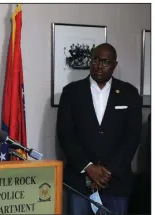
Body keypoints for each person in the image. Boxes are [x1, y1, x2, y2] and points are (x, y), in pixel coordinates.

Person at [57, 43, 142, 215]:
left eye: (105, 62)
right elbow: (65, 134)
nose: (99, 66)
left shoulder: (129, 93)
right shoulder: (71, 92)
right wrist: (89, 167)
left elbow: (132, 136)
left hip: (116, 182)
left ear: (114, 65)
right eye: (95, 60)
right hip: (79, 183)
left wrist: (107, 171)